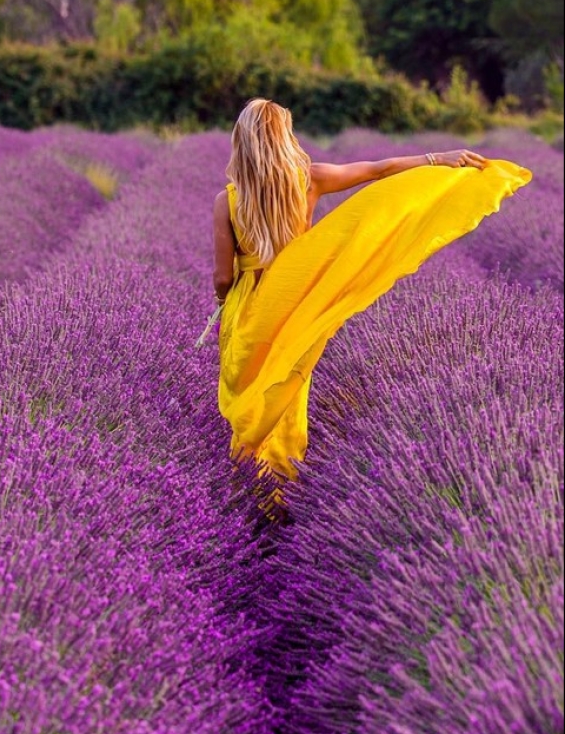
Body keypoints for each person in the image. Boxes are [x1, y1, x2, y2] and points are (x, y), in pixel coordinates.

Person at [208, 98, 532, 510]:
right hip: (302, 300)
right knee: (288, 391)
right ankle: (280, 493)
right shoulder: (309, 178)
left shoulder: (227, 200)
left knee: (248, 395)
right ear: (284, 138)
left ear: (243, 143)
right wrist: (439, 158)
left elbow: (222, 276)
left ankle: (245, 492)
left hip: (252, 308)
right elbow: (379, 170)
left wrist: (225, 304)